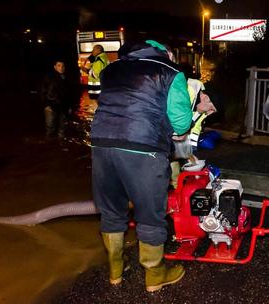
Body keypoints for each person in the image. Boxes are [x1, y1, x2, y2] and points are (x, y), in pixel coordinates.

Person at [90, 40, 192, 291]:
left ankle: (116, 268)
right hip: (143, 148)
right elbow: (181, 119)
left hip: (102, 145)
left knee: (112, 210)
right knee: (149, 213)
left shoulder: (110, 69)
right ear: (164, 52)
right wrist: (178, 132)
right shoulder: (169, 71)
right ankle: (154, 273)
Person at [40, 60, 70, 140]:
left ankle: (60, 146)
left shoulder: (65, 77)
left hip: (63, 106)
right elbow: (43, 91)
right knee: (50, 127)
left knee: (62, 128)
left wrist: (69, 106)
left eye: (63, 66)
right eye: (59, 65)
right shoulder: (49, 77)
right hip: (51, 106)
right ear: (55, 67)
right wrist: (46, 105)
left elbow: (68, 93)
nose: (61, 68)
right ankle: (50, 147)